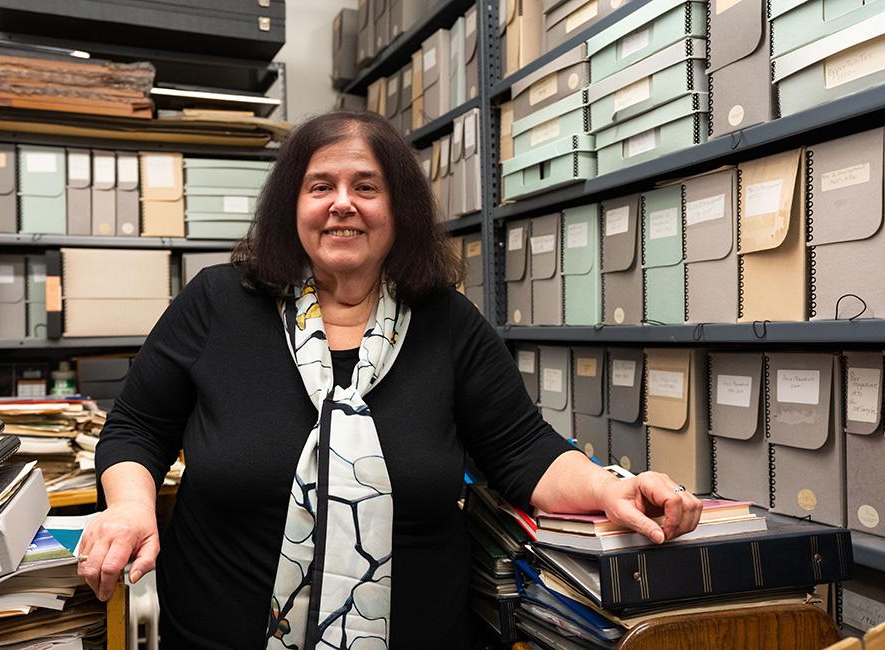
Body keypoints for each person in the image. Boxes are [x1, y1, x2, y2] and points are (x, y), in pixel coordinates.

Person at [81, 110, 702, 648]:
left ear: (398, 209)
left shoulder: (448, 323)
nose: (342, 203)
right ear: (291, 206)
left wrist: (610, 487)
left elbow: (523, 453)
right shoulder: (218, 303)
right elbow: (138, 428)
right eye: (320, 185)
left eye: (366, 187)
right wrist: (131, 508)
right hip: (217, 637)